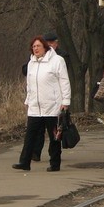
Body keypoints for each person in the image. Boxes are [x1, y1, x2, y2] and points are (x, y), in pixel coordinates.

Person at [13, 35, 71, 172]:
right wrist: (28, 99)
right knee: (30, 135)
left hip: (52, 105)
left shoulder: (57, 61)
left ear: (45, 47)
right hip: (35, 106)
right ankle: (24, 162)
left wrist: (65, 101)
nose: (36, 49)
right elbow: (30, 84)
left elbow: (64, 81)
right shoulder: (31, 63)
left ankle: (55, 163)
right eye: (33, 47)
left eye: (38, 46)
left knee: (54, 136)